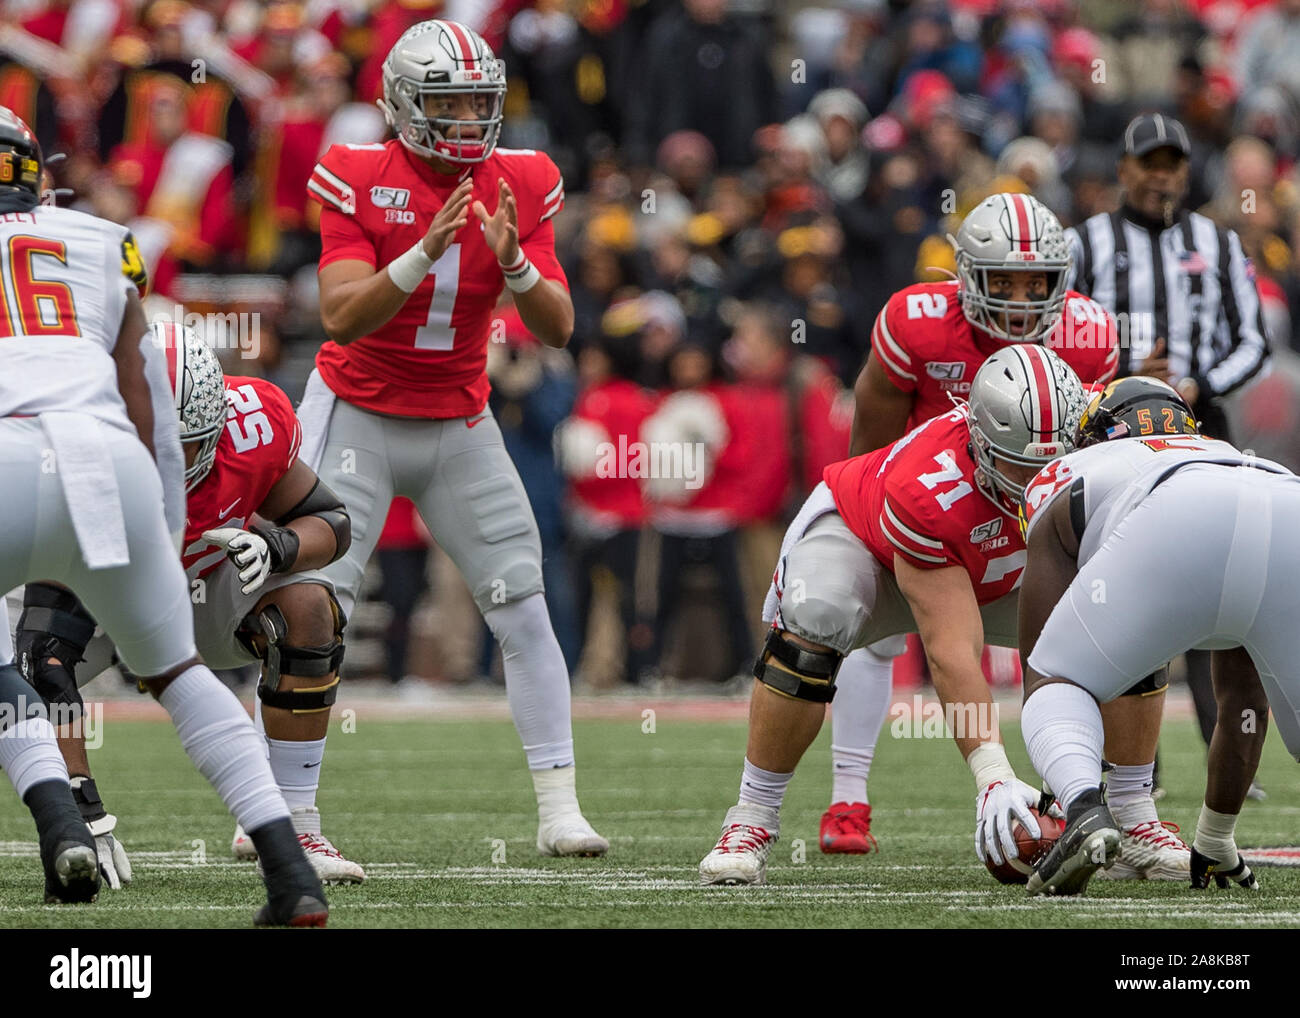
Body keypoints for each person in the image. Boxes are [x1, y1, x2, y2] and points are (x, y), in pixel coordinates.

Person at [0, 106, 325, 925]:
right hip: (107, 455)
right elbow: (142, 382)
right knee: (179, 671)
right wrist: (153, 515)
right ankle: (291, 876)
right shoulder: (104, 240)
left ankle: (61, 825)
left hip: (7, 455)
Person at [301, 20, 605, 855]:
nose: (470, 119)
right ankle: (288, 821)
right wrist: (420, 254)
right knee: (313, 610)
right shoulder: (358, 174)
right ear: (403, 106)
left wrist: (515, 266)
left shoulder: (523, 178)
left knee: (523, 603)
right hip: (356, 408)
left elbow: (559, 327)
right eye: (449, 102)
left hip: (457, 417)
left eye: (480, 101)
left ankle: (558, 810)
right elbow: (339, 315)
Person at [822, 193, 1180, 868]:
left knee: (1094, 631)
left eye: (1036, 281)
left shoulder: (1088, 334)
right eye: (1004, 281)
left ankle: (1108, 803)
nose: (1020, 298)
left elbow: (1088, 453)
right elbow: (871, 429)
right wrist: (869, 518)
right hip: (935, 499)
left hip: (1037, 507)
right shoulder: (916, 322)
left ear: (1062, 279)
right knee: (879, 638)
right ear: (965, 276)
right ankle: (849, 795)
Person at [698, 345, 1086, 886]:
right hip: (869, 551)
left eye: (1046, 463)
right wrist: (993, 775)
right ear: (979, 438)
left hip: (994, 565)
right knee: (814, 620)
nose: (1032, 480)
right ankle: (752, 817)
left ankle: (1131, 821)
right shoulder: (930, 487)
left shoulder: (1095, 448)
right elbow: (952, 649)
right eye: (1017, 462)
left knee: (1114, 637)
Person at [18, 322, 363, 887]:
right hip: (95, 599)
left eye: (180, 447)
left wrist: (277, 547)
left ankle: (295, 823)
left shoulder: (254, 428)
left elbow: (332, 521)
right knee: (19, 693)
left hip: (199, 588)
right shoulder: (74, 462)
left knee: (306, 604)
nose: (164, 464)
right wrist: (79, 814)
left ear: (218, 427)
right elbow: (44, 651)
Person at [1065, 113, 1272, 809]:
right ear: (1122, 169)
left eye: (1172, 162)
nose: (1161, 174)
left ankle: (1230, 750)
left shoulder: (1218, 242)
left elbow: (1254, 342)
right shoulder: (1084, 244)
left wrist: (1195, 384)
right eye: (1148, 161)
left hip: (1200, 428)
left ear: (1186, 171)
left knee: (1213, 587)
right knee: (1117, 585)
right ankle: (1119, 763)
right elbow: (1058, 337)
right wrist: (1123, 377)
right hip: (1109, 431)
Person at [1016, 377, 1291, 895]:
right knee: (1258, 700)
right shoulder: (1226, 453)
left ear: (1096, 434)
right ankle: (1215, 842)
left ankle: (1084, 812)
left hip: (1169, 514)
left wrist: (1065, 774)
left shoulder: (1078, 465)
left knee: (1053, 679)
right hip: (1287, 502)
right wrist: (1214, 841)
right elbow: (1242, 700)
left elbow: (1043, 660)